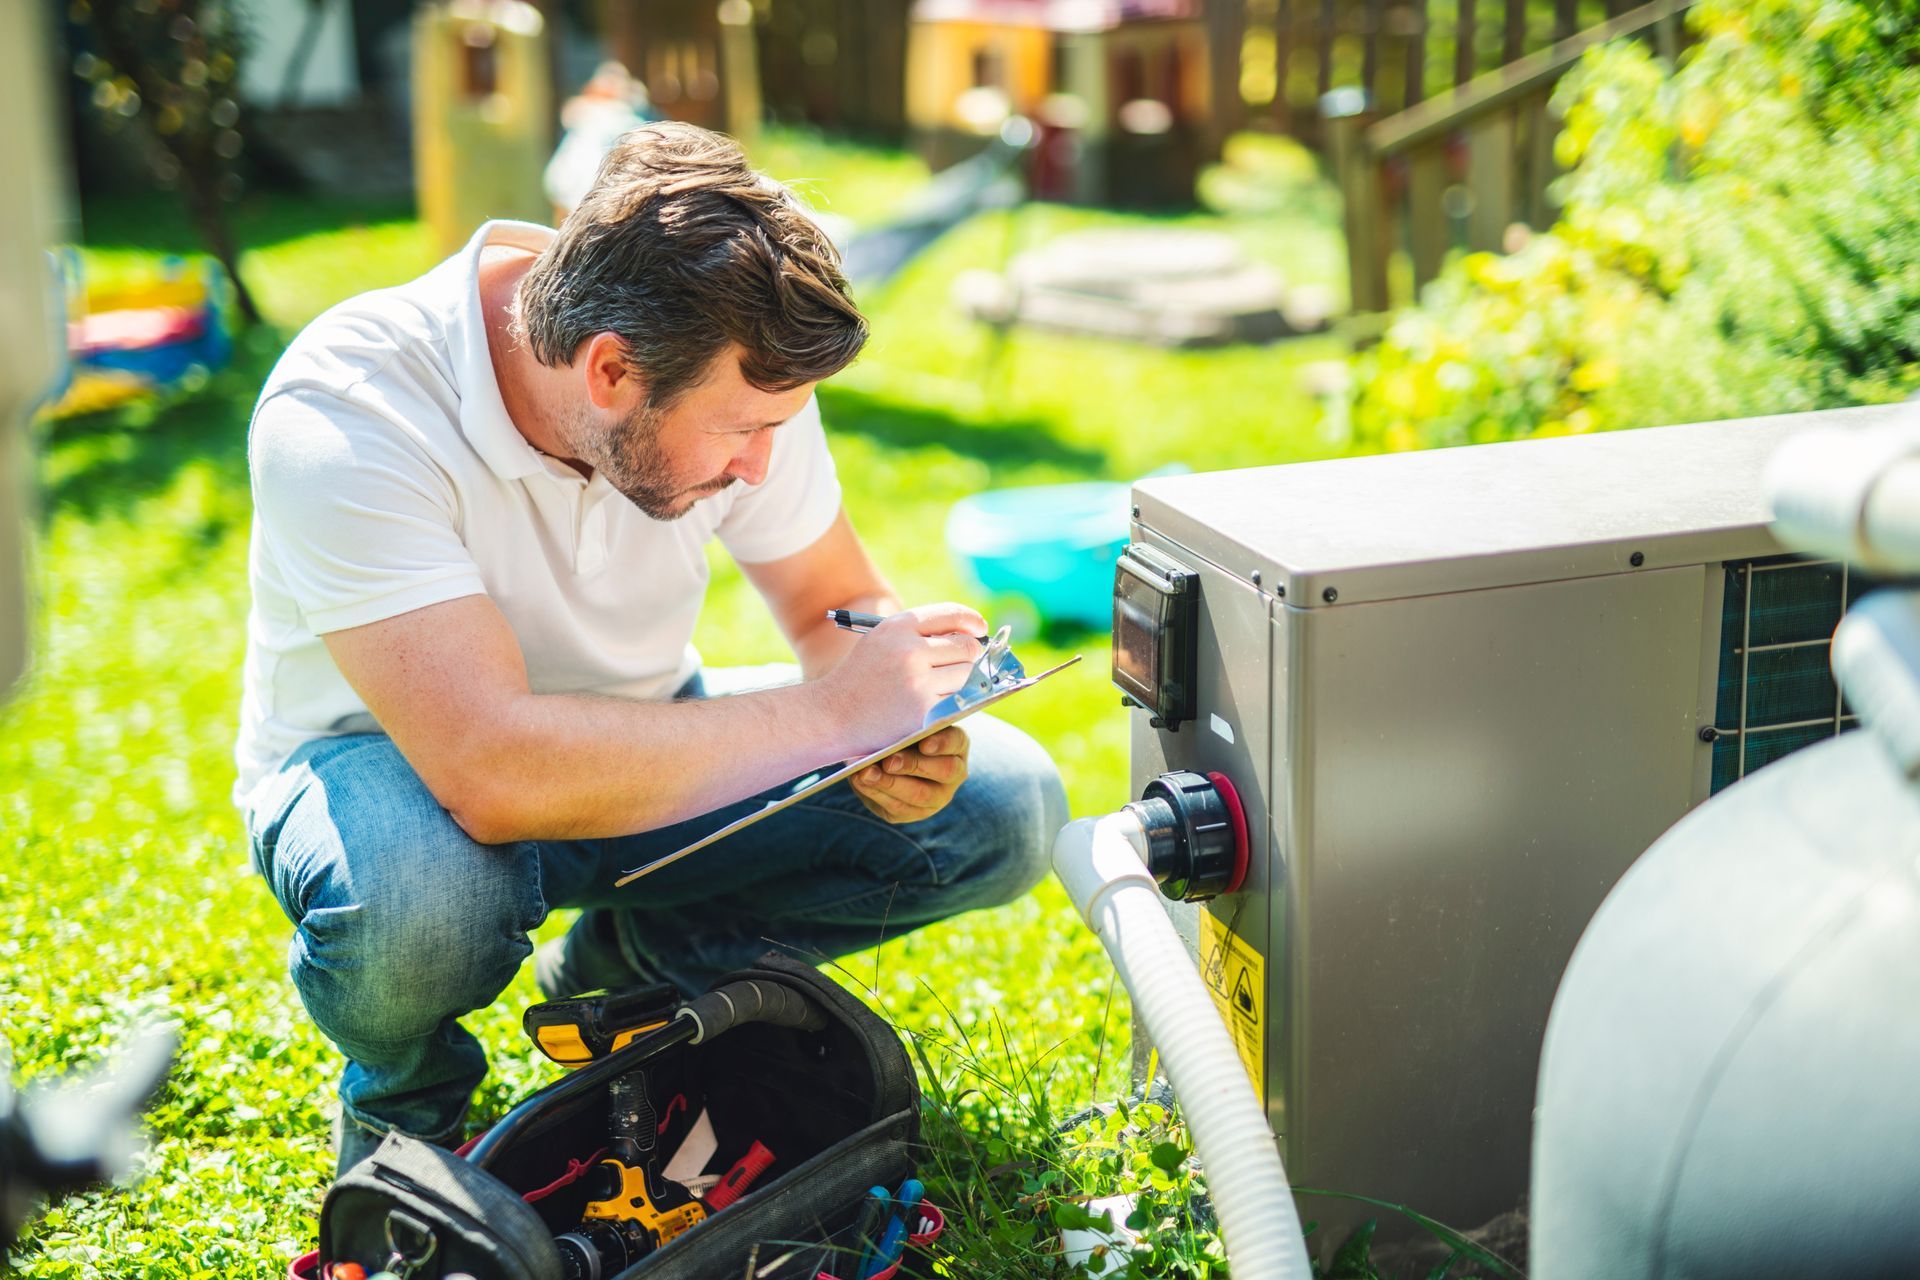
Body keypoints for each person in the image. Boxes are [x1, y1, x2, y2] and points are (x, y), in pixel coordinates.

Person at [235, 121, 1067, 1176]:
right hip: (394, 783)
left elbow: (833, 607)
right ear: (612, 369)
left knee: (1004, 803)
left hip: (650, 757)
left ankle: (627, 974)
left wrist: (899, 731)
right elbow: (487, 768)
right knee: (423, 897)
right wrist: (829, 717)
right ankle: (408, 1112)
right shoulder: (351, 412)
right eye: (741, 431)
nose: (761, 466)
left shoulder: (732, 353)